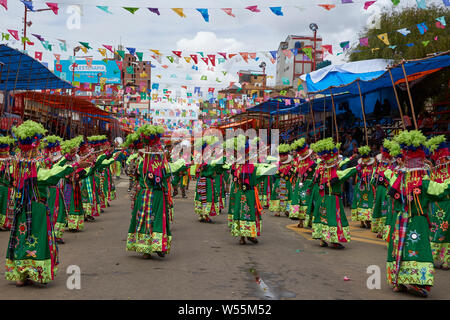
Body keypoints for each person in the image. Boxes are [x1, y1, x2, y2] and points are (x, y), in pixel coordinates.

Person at [5, 121, 89, 286]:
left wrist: (69, 160)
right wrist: (75, 165)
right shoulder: (36, 165)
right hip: (37, 208)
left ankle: (21, 274)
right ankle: (33, 272)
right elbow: (52, 174)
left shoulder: (15, 164)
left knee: (21, 238)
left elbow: (51, 170)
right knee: (37, 238)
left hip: (21, 209)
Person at [384, 130, 450, 297]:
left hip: (400, 220)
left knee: (401, 249)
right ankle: (418, 283)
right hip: (417, 221)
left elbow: (389, 182)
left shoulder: (398, 179)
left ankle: (398, 282)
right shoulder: (424, 181)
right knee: (420, 249)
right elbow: (441, 190)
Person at [126, 124, 172, 259]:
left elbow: (168, 175)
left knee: (157, 220)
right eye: (153, 146)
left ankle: (158, 246)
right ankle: (145, 248)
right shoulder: (140, 161)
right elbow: (132, 174)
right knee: (144, 220)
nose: (156, 148)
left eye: (157, 146)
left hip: (157, 194)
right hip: (145, 194)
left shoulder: (162, 162)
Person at [426, 135, 449, 270]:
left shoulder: (446, 171)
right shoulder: (434, 171)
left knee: (446, 231)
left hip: (447, 204)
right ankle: (435, 257)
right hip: (436, 206)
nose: (442, 161)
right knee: (436, 230)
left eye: (445, 159)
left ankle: (447, 259)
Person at [289, 138, 316, 228]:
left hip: (306, 184)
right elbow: (296, 173)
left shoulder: (312, 164)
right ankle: (301, 221)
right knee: (301, 202)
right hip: (301, 184)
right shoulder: (308, 163)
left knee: (306, 202)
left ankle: (307, 221)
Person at [351, 145, 376, 229]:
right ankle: (362, 221)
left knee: (369, 203)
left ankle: (368, 220)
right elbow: (356, 177)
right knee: (360, 202)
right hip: (360, 188)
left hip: (368, 188)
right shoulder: (359, 168)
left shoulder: (372, 168)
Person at [269, 144, 293, 217]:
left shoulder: (290, 166)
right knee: (277, 196)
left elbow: (290, 174)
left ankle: (287, 210)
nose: (282, 157)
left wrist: (284, 176)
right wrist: (279, 174)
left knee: (287, 196)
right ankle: (278, 210)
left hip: (286, 183)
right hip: (278, 182)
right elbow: (275, 173)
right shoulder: (278, 165)